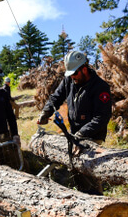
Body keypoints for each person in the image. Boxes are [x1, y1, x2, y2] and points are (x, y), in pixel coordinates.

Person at [37, 50, 112, 192]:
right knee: (77, 172)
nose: (72, 77)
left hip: (92, 136)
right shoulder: (70, 80)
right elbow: (56, 97)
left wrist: (80, 135)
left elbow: (101, 118)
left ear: (84, 69)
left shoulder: (100, 87)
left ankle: (98, 202)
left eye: (74, 74)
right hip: (74, 134)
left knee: (88, 174)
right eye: (70, 74)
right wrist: (46, 112)